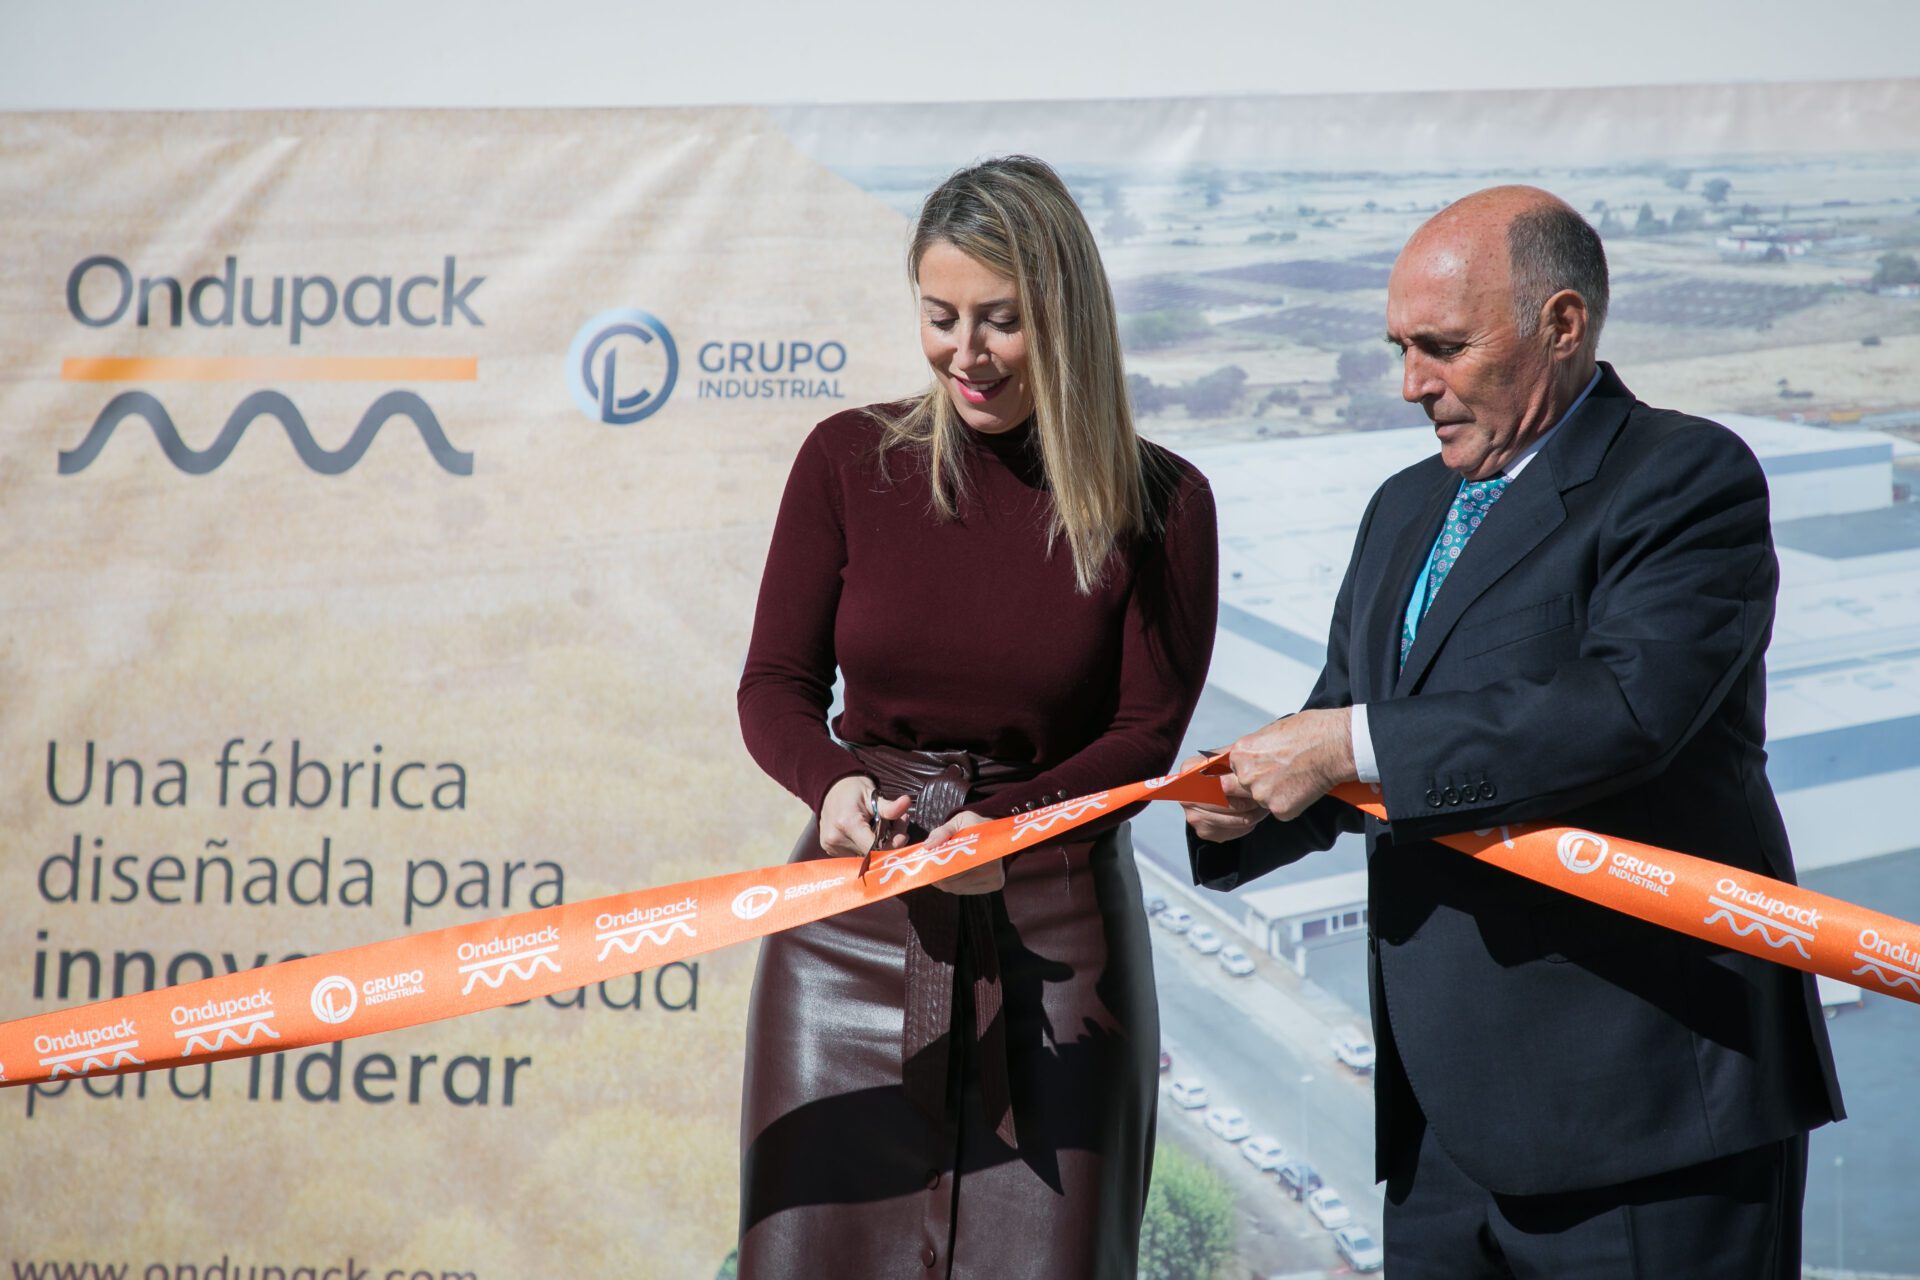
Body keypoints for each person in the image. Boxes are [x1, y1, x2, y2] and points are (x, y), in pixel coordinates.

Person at [1181, 186, 1843, 1278]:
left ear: (1563, 323)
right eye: (1400, 347)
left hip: (1647, 1120)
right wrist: (1228, 812)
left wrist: (1344, 746)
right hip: (1443, 1139)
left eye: (1442, 346)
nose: (1411, 385)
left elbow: (1624, 712)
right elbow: (1345, 714)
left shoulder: (1685, 479)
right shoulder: (1403, 506)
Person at [735, 155, 1217, 1279]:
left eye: (1002, 321)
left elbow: (1146, 730)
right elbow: (774, 687)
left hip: (1056, 924)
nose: (968, 352)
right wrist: (834, 785)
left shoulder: (1163, 500)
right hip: (847, 928)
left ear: (1067, 316)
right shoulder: (846, 460)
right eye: (940, 316)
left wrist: (1008, 832)